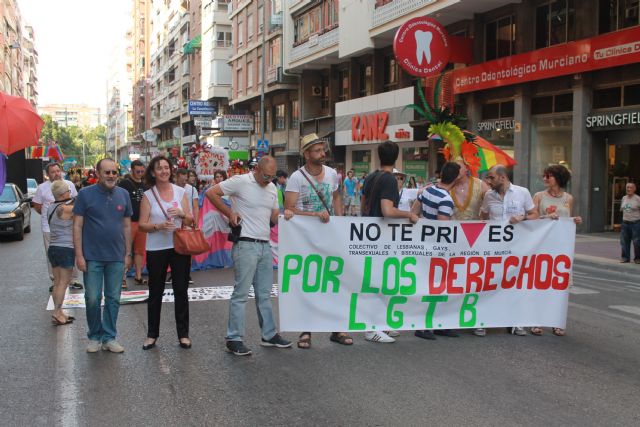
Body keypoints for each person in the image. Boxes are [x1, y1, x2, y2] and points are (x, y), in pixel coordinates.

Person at [206, 156, 291, 356]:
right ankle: (234, 338)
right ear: (257, 169)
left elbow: (272, 215)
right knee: (241, 293)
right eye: (265, 176)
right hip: (245, 243)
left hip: (264, 245)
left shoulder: (272, 188)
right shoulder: (241, 181)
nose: (268, 180)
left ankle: (269, 335)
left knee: (265, 294)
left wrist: (280, 213)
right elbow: (211, 193)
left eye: (272, 177)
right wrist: (229, 213)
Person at [283, 133, 352, 349]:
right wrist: (315, 216)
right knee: (309, 283)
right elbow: (289, 209)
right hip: (306, 239)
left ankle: (337, 328)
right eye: (317, 151)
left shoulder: (332, 174)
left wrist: (340, 221)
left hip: (330, 236)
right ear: (306, 154)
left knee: (334, 281)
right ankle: (306, 330)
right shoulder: (296, 177)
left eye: (323, 150)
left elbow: (336, 197)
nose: (323, 154)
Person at [361, 140, 419, 343]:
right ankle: (371, 328)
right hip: (381, 237)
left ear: (378, 156)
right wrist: (408, 215)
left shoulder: (370, 177)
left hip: (370, 235)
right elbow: (387, 210)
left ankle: (380, 323)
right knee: (378, 282)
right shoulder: (389, 180)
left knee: (381, 281)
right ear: (397, 157)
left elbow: (364, 204)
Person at [73, 158, 132, 353]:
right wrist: (79, 255)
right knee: (92, 297)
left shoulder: (123, 194)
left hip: (116, 256)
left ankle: (109, 337)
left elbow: (126, 226)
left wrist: (128, 253)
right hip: (92, 257)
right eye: (107, 172)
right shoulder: (84, 194)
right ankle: (94, 336)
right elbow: (77, 225)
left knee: (113, 298)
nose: (111, 176)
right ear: (98, 173)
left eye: (114, 172)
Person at [138, 156, 195, 351]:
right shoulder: (148, 195)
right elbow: (142, 225)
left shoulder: (181, 192)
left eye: (166, 168)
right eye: (159, 168)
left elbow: (190, 221)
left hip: (179, 246)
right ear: (153, 173)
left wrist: (181, 215)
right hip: (156, 248)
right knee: (155, 292)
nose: (164, 171)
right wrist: (158, 226)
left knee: (181, 290)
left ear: (171, 171)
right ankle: (152, 334)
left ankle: (184, 334)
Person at [480, 164, 538, 336]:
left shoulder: (522, 192)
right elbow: (483, 216)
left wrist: (523, 217)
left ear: (502, 177)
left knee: (514, 284)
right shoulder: (488, 196)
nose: (488, 181)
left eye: (491, 177)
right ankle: (483, 321)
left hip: (516, 248)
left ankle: (516, 322)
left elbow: (534, 214)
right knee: (490, 283)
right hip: (494, 248)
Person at [530, 164, 583, 337]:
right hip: (542, 247)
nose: (545, 179)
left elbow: (567, 219)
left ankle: (557, 322)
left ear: (558, 178)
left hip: (561, 249)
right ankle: (535, 320)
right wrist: (545, 217)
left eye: (549, 176)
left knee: (560, 287)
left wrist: (575, 221)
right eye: (544, 176)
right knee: (540, 284)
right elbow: (532, 220)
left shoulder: (568, 198)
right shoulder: (538, 196)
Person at [411, 162, 462, 340]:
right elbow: (443, 227)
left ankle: (435, 324)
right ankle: (426, 325)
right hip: (437, 248)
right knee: (437, 284)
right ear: (455, 179)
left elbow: (414, 212)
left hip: (424, 243)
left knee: (432, 283)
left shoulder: (427, 190)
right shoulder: (446, 199)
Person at [32, 162, 82, 291]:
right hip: (49, 228)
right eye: (53, 172)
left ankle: (74, 279)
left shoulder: (69, 184)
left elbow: (76, 201)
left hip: (69, 226)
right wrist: (51, 217)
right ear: (48, 175)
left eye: (58, 171)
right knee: (52, 254)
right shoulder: (42, 188)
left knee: (72, 251)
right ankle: (55, 280)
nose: (56, 173)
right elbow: (37, 206)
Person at [47, 180, 77, 326]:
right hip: (65, 248)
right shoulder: (64, 208)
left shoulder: (51, 207)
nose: (70, 193)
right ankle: (56, 312)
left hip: (53, 248)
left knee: (57, 282)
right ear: (62, 194)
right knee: (63, 283)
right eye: (68, 191)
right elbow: (80, 209)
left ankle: (58, 312)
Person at [117, 160, 147, 287]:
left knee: (139, 251)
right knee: (126, 250)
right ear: (132, 170)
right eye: (137, 171)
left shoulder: (145, 184)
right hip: (128, 221)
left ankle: (138, 276)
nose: (140, 173)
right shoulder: (124, 183)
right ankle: (122, 278)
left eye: (142, 171)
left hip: (142, 222)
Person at [175, 168, 199, 285]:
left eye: (186, 179)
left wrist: (196, 222)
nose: (185, 181)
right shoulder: (172, 188)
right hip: (174, 222)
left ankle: (187, 273)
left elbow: (195, 207)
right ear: (177, 177)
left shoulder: (192, 190)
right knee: (175, 248)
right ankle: (175, 273)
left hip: (188, 221)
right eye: (183, 178)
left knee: (187, 248)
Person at [619, 182, 640, 264]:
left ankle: (638, 258)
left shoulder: (638, 198)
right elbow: (622, 209)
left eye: (631, 187)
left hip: (636, 223)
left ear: (634, 189)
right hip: (625, 223)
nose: (629, 189)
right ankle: (625, 257)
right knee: (624, 241)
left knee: (637, 242)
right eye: (627, 187)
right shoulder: (624, 198)